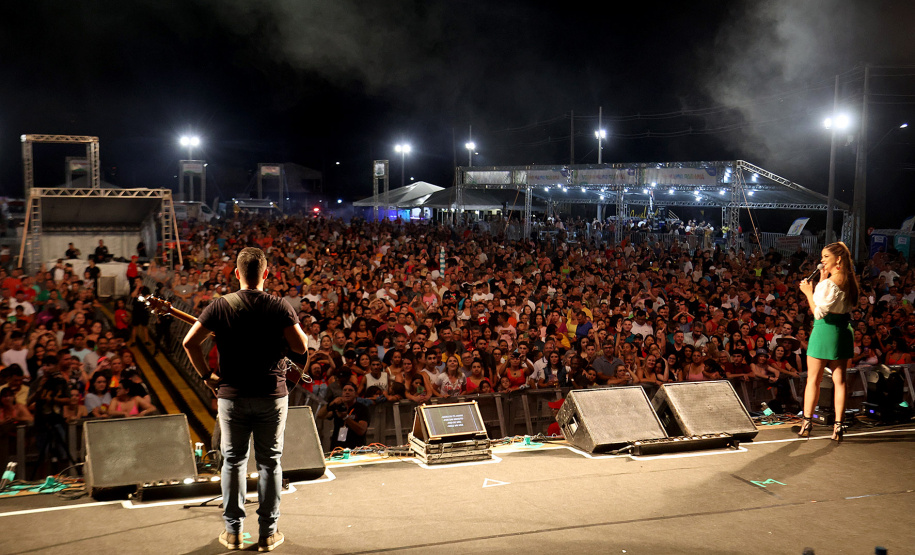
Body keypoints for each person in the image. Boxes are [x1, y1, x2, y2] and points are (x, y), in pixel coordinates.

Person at [183, 247, 307, 552]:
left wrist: (207, 376)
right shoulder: (279, 306)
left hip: (232, 396)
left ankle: (234, 533)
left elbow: (190, 342)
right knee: (270, 463)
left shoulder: (219, 306)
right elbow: (300, 347)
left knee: (233, 463)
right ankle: (267, 534)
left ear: (237, 273)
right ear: (266, 273)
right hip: (270, 395)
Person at [798, 242, 859, 442]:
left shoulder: (828, 284)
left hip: (824, 331)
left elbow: (818, 312)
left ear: (838, 259)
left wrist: (808, 292)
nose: (822, 260)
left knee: (813, 380)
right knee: (840, 381)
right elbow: (831, 302)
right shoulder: (849, 280)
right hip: (842, 332)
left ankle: (807, 423)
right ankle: (838, 426)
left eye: (826, 256)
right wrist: (822, 279)